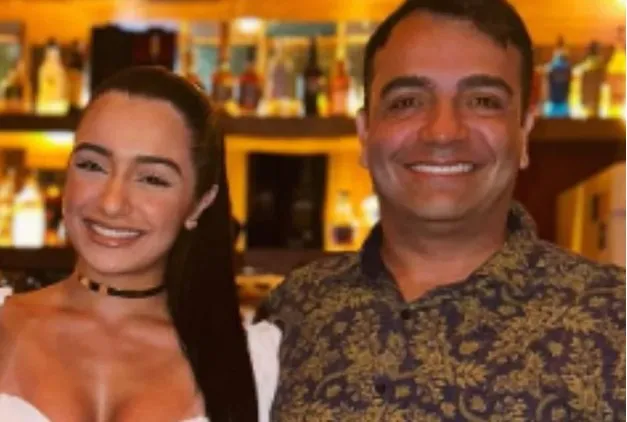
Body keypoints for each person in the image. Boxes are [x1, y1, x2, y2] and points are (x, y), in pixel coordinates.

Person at [255, 0, 626, 420]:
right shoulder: (293, 310)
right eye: (407, 102)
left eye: (482, 100)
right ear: (365, 134)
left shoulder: (614, 317)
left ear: (524, 133)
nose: (443, 132)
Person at [0, 66, 279, 421]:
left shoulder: (257, 363)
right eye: (92, 165)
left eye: (151, 179)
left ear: (200, 203)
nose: (111, 203)